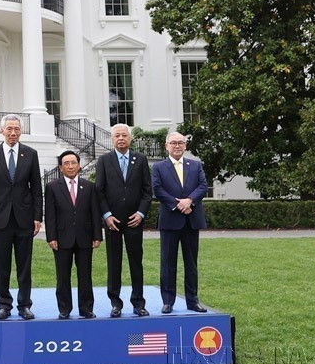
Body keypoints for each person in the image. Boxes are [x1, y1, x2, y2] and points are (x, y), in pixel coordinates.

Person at [0, 114, 42, 320]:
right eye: (9, 129)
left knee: (24, 264)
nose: (13, 133)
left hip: (25, 217)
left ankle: (24, 304)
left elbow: (36, 188)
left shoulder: (31, 154)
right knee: (2, 264)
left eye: (16, 129)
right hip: (0, 218)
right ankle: (4, 304)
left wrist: (37, 216)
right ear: (2, 130)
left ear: (21, 131)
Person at [95, 123, 153, 317]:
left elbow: (147, 191)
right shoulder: (104, 160)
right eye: (117, 136)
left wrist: (141, 214)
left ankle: (138, 303)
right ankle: (115, 303)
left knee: (136, 262)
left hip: (134, 221)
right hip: (113, 222)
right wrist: (106, 215)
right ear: (112, 139)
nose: (121, 138)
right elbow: (99, 191)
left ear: (130, 138)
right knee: (114, 263)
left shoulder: (141, 159)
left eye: (124, 135)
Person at [152, 131, 208, 313]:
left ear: (185, 146)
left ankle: (193, 300)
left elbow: (203, 186)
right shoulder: (159, 167)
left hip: (191, 220)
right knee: (168, 263)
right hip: (170, 220)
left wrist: (189, 201)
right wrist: (178, 205)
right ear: (166, 146)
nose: (177, 146)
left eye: (181, 143)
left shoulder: (196, 165)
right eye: (173, 143)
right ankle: (168, 301)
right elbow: (157, 189)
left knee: (191, 264)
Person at [45, 150, 102, 319]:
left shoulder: (89, 186)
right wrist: (51, 237)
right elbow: (50, 215)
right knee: (62, 276)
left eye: (73, 163)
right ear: (61, 167)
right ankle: (64, 309)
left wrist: (97, 235)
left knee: (85, 275)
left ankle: (86, 308)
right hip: (62, 238)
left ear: (79, 165)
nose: (70, 166)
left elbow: (95, 212)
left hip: (85, 237)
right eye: (66, 163)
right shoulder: (52, 187)